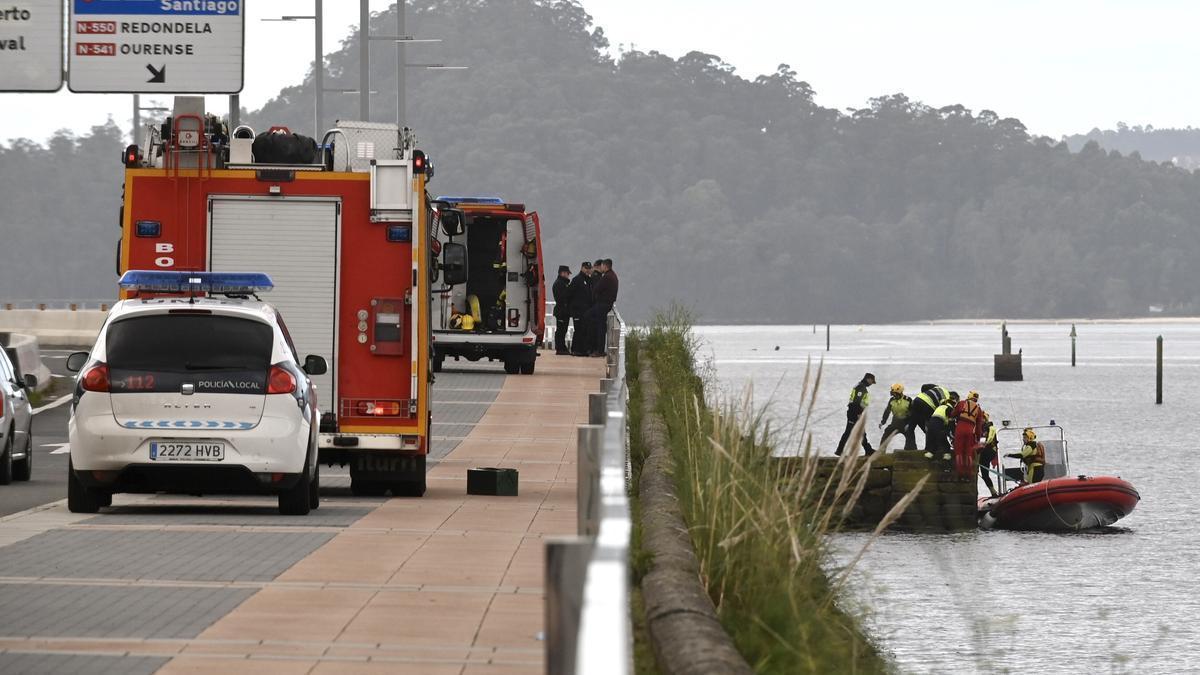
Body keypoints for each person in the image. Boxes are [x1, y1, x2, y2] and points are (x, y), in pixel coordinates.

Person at [835, 372, 876, 457]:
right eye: (872, 381)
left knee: (861, 432)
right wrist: (858, 413)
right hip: (854, 413)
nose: (872, 384)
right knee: (848, 432)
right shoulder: (861, 388)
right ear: (868, 379)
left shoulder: (860, 386)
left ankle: (868, 450)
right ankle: (839, 450)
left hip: (854, 412)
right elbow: (856, 402)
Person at [587, 258, 619, 357]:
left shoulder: (606, 277)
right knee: (600, 326)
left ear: (605, 266)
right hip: (607, 304)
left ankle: (598, 350)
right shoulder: (613, 276)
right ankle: (598, 349)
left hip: (603, 304)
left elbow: (597, 288)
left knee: (590, 319)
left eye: (602, 266)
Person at [951, 390, 985, 478]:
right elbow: (978, 427)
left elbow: (953, 414)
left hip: (960, 428)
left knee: (958, 452)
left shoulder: (962, 403)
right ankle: (968, 474)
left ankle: (960, 474)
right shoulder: (979, 409)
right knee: (968, 453)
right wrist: (978, 438)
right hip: (970, 431)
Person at [878, 383, 916, 450]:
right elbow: (887, 411)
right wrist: (883, 422)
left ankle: (910, 451)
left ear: (900, 393)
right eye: (893, 394)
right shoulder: (891, 400)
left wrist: (909, 424)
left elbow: (913, 414)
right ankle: (881, 451)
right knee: (887, 432)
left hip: (905, 423)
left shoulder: (908, 400)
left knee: (910, 436)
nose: (894, 395)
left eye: (895, 394)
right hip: (895, 422)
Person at [567, 262, 594, 355]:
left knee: (585, 330)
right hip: (578, 310)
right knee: (578, 330)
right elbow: (569, 294)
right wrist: (573, 307)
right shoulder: (576, 280)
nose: (587, 270)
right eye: (586, 268)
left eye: (589, 268)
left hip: (587, 310)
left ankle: (583, 349)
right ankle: (575, 349)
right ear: (582, 268)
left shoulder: (589, 280)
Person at [923, 391, 957, 462]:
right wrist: (953, 436)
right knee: (944, 440)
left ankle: (930, 454)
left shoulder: (940, 407)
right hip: (938, 424)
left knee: (933, 440)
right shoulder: (950, 409)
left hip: (930, 424)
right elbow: (951, 424)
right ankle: (946, 456)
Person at [974, 418, 1000, 497]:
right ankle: (993, 492)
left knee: (977, 453)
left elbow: (990, 439)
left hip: (989, 451)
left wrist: (983, 443)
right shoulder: (978, 428)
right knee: (985, 475)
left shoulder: (990, 427)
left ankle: (976, 465)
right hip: (982, 454)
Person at [551, 265, 572, 354]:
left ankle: (562, 347)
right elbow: (561, 297)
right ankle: (560, 348)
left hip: (564, 310)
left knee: (563, 330)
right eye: (567, 273)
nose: (568, 275)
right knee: (561, 330)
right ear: (562, 273)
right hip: (561, 310)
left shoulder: (563, 283)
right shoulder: (559, 283)